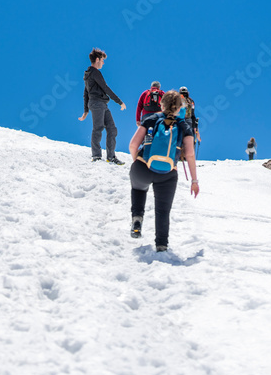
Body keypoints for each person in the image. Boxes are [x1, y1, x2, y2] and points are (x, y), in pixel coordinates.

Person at [127, 91, 199, 252]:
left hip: (142, 167)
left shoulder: (151, 119)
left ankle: (137, 218)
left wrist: (138, 163)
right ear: (180, 108)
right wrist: (194, 181)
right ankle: (161, 245)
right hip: (168, 173)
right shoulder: (183, 126)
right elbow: (190, 154)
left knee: (139, 189)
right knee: (163, 210)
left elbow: (133, 145)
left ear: (161, 104)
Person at [78, 48, 127, 164]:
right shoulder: (94, 72)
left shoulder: (89, 74)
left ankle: (111, 157)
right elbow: (105, 87)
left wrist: (86, 110)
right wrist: (119, 102)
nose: (103, 63)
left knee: (112, 129)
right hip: (97, 103)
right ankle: (96, 156)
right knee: (98, 128)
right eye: (102, 60)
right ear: (97, 59)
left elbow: (86, 93)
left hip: (101, 104)